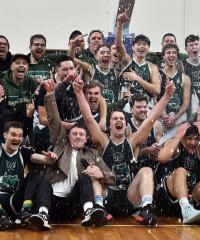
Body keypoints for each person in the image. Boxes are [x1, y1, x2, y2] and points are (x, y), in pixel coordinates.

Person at [74, 73, 175, 226]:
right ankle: (99, 209)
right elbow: (88, 118)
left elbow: (151, 118)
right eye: (115, 118)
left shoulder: (133, 140)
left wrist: (167, 95)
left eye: (122, 118)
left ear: (126, 124)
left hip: (130, 197)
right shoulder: (102, 140)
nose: (119, 120)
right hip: (108, 194)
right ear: (110, 124)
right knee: (94, 171)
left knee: (146, 170)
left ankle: (146, 208)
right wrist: (79, 92)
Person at [28, 79, 115, 230]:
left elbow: (112, 177)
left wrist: (101, 174)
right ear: (68, 137)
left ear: (86, 138)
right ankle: (42, 215)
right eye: (74, 133)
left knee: (85, 178)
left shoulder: (93, 153)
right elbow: (54, 120)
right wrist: (49, 94)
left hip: (74, 204)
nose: (78, 136)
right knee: (44, 182)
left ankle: (89, 211)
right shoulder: (60, 145)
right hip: (52, 202)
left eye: (82, 134)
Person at [156, 122, 200, 225]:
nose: (193, 142)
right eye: (189, 139)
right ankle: (185, 209)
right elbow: (161, 158)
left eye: (196, 138)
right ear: (182, 138)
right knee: (181, 171)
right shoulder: (174, 143)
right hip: (171, 196)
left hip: (192, 194)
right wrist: (178, 136)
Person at [0, 121, 57, 230]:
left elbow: (40, 158)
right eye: (13, 134)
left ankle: (25, 210)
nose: (17, 139)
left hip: (14, 201)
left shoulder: (23, 152)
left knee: (35, 174)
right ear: (5, 135)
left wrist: (50, 159)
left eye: (20, 136)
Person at [116, 11, 160, 109]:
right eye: (138, 44)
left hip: (146, 108)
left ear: (148, 49)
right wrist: (120, 24)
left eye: (144, 44)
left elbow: (157, 90)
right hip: (127, 107)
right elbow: (119, 46)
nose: (141, 47)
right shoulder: (128, 61)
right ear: (133, 47)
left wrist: (137, 78)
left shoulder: (152, 67)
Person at [158, 43, 191, 145]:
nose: (171, 55)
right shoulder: (158, 75)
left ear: (177, 56)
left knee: (178, 146)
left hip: (178, 117)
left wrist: (175, 117)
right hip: (161, 116)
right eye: (168, 53)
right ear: (164, 56)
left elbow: (186, 103)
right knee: (161, 144)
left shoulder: (185, 78)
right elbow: (154, 99)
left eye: (174, 53)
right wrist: (163, 116)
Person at [128, 93, 162, 170]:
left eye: (145, 107)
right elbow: (127, 155)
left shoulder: (156, 125)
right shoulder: (127, 127)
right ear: (131, 109)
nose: (143, 110)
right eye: (139, 107)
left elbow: (161, 150)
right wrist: (146, 151)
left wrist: (157, 149)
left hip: (152, 167)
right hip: (133, 168)